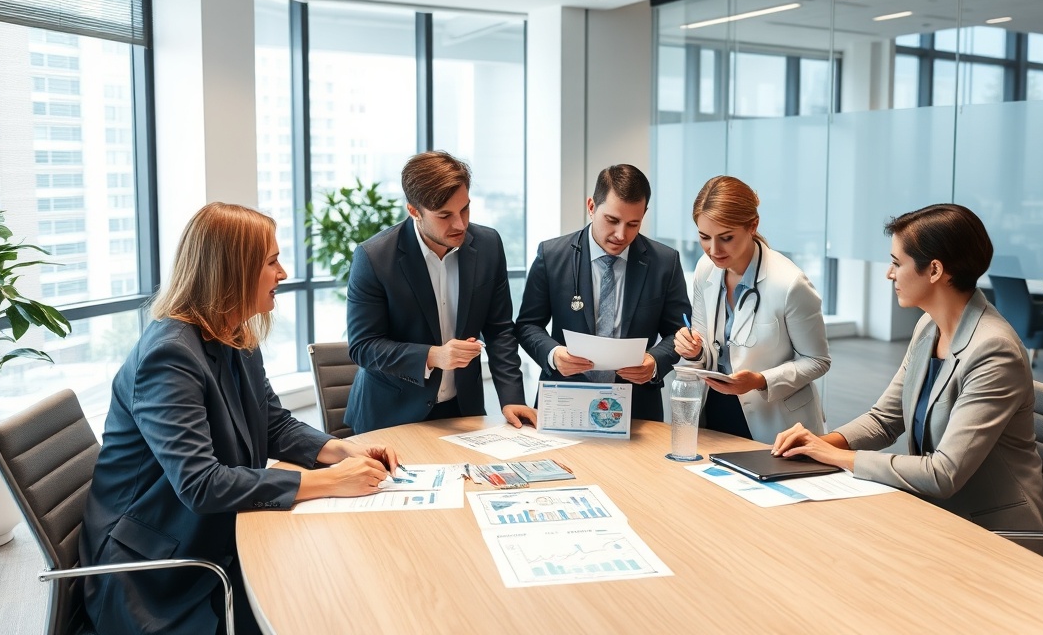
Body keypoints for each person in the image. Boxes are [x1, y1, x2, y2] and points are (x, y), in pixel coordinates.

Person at [80, 203, 400, 634]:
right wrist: (329, 481)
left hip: (211, 536)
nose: (283, 273)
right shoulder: (169, 355)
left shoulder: (236, 334)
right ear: (233, 272)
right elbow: (200, 483)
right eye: (271, 262)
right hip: (155, 571)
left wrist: (341, 449)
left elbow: (273, 424)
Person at [772, 204, 1043, 542]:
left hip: (992, 531)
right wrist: (816, 444)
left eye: (896, 263)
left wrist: (838, 457)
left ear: (934, 270)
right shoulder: (928, 327)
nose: (890, 275)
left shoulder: (993, 351)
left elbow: (943, 473)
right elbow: (883, 419)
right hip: (937, 514)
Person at [344, 150, 534, 433]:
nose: (460, 224)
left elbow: (500, 331)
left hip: (462, 411)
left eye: (465, 209)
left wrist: (511, 398)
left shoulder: (488, 245)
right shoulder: (373, 257)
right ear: (414, 211)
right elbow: (363, 346)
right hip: (391, 417)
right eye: (444, 215)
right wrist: (432, 356)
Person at [516, 164, 691, 421]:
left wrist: (654, 362)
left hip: (637, 407)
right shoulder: (552, 256)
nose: (621, 234)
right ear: (591, 207)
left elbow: (678, 333)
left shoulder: (664, 262)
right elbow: (528, 325)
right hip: (565, 401)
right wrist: (554, 355)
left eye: (633, 223)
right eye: (612, 220)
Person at [673, 176, 830, 442]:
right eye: (704, 237)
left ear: (752, 225)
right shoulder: (705, 269)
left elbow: (817, 361)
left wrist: (759, 380)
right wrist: (693, 348)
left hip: (775, 420)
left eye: (726, 238)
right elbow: (704, 347)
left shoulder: (789, 283)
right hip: (714, 409)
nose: (713, 250)